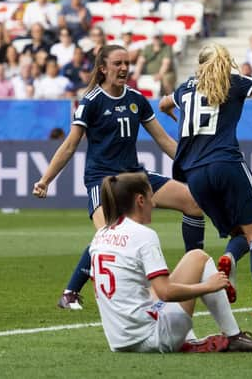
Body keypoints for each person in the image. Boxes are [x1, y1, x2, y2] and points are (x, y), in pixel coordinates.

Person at [33, 45, 206, 310]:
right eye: (118, 63)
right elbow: (70, 145)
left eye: (127, 62)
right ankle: (70, 292)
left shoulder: (136, 98)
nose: (124, 68)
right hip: (103, 181)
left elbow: (162, 139)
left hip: (134, 177)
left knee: (194, 203)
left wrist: (192, 165)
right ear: (103, 68)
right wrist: (46, 180)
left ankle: (195, 267)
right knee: (107, 236)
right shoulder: (91, 102)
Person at [159, 43, 252, 318]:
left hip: (194, 174)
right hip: (226, 163)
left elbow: (162, 103)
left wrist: (175, 114)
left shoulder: (185, 88)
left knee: (238, 233)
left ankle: (228, 259)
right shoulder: (233, 82)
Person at [90, 172, 252, 353]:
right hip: (154, 337)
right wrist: (208, 286)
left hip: (118, 340)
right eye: (150, 197)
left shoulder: (101, 235)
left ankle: (196, 338)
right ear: (140, 200)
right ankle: (234, 336)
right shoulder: (143, 235)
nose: (154, 203)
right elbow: (166, 292)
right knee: (199, 258)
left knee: (190, 259)